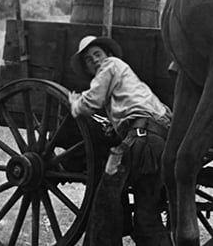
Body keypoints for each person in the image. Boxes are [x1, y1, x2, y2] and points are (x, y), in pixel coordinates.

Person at [68, 35, 172, 246]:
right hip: (157, 142)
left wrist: (74, 103)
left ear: (108, 55)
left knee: (105, 200)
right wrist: (116, 127)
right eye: (89, 59)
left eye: (97, 54)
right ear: (87, 68)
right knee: (147, 215)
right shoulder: (125, 79)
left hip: (139, 141)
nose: (95, 60)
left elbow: (90, 102)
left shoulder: (110, 65)